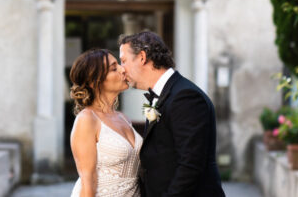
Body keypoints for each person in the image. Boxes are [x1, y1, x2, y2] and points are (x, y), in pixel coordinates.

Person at [119, 31, 226, 197]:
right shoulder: (166, 94)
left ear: (142, 57)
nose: (122, 69)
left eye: (123, 61)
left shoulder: (186, 97)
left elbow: (190, 166)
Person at [69, 48, 143, 197]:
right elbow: (87, 182)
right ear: (94, 81)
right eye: (114, 68)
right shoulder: (87, 119)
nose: (123, 70)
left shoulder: (123, 118)